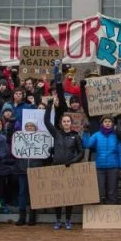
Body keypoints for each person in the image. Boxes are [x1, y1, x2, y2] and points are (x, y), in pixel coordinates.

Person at [43, 98, 84, 230]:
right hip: (57, 168)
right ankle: (58, 220)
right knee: (58, 196)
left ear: (71, 123)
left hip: (70, 168)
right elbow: (46, 122)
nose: (66, 123)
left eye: (68, 121)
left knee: (69, 197)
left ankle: (67, 220)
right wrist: (49, 106)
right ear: (61, 123)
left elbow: (81, 153)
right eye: (64, 121)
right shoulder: (57, 134)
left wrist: (72, 162)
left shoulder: (76, 136)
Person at [82, 115, 121, 207]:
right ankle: (99, 211)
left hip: (114, 167)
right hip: (99, 168)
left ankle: (111, 208)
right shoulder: (97, 135)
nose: (107, 123)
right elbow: (87, 144)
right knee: (99, 189)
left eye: (109, 122)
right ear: (102, 124)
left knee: (112, 190)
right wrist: (86, 132)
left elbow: (120, 152)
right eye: (105, 121)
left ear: (113, 124)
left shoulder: (117, 135)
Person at [10, 119, 45, 226]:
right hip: (22, 170)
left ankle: (32, 216)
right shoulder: (19, 139)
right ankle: (22, 217)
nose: (29, 128)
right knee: (22, 193)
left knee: (34, 194)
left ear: (35, 128)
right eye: (27, 126)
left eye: (32, 126)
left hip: (35, 169)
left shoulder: (41, 140)